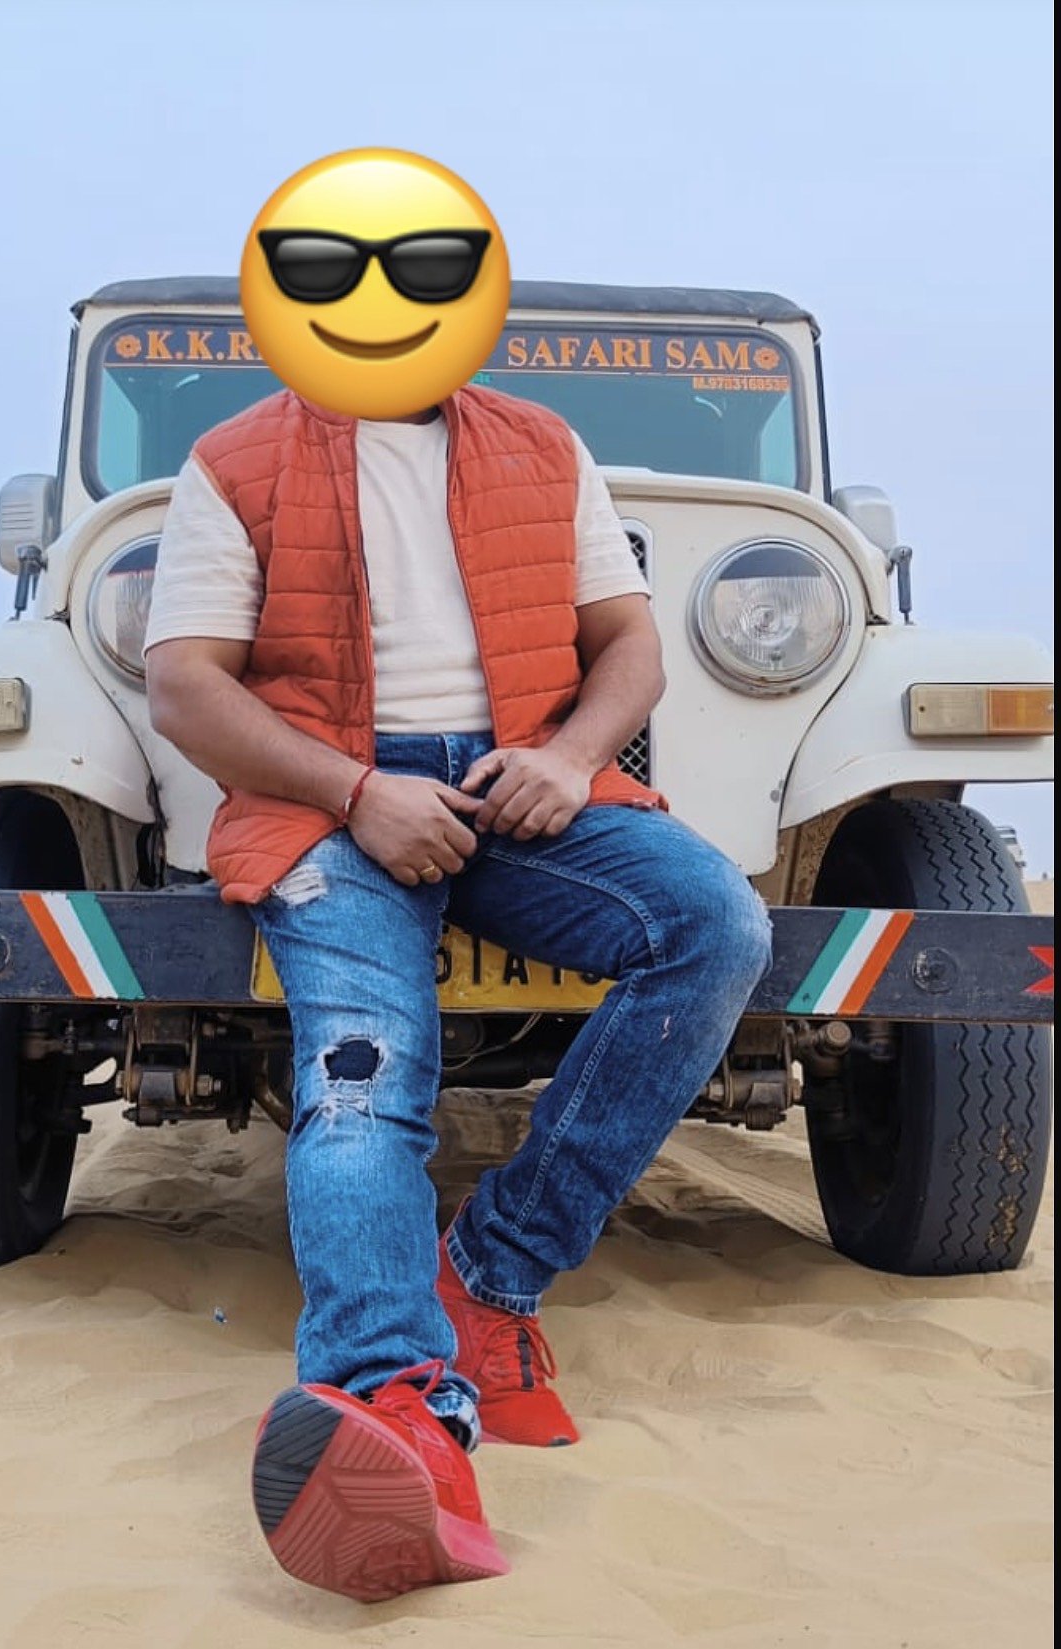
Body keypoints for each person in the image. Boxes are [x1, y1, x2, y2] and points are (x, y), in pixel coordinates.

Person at [143, 381, 773, 1604]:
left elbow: (632, 645)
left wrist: (570, 758)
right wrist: (355, 790)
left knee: (716, 924)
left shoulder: (543, 442)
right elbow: (184, 688)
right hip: (324, 800)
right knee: (365, 1067)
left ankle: (490, 1272)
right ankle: (392, 1403)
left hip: (522, 782)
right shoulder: (233, 456)